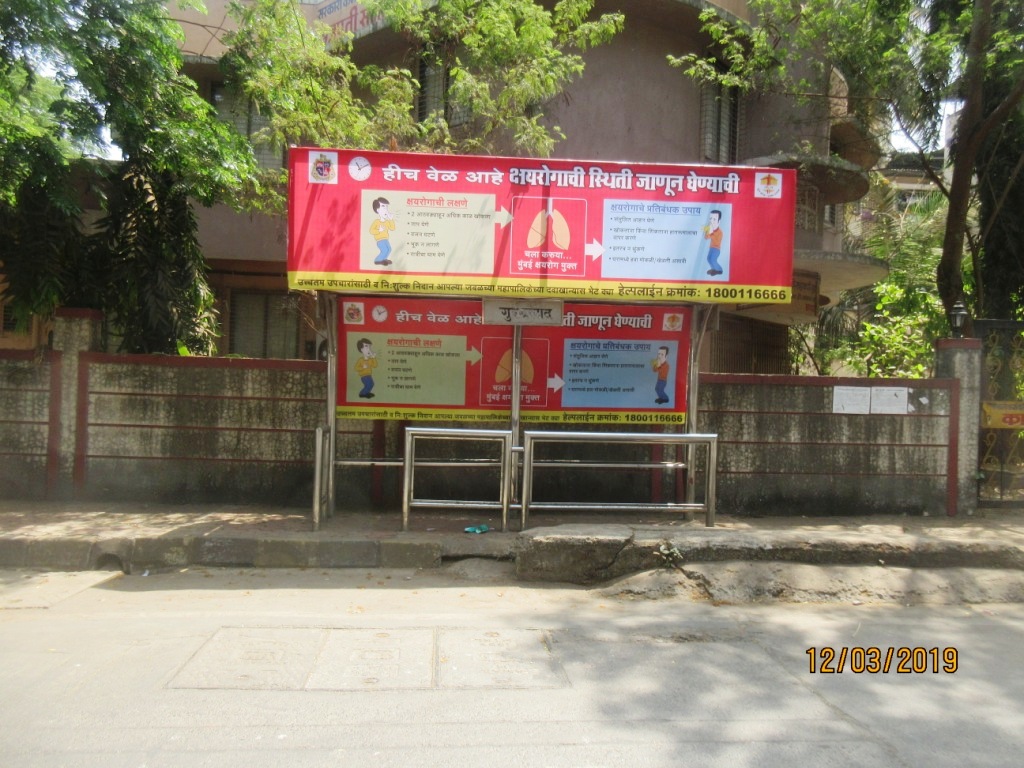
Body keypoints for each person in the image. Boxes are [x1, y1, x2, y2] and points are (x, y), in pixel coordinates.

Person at [369, 197, 395, 266]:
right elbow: (371, 231)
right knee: (384, 250)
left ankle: (384, 259)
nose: (386, 209)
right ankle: (377, 260)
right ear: (378, 210)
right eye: (383, 207)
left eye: (386, 207)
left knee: (389, 249)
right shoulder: (377, 222)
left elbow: (392, 228)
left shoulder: (387, 222)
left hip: (386, 239)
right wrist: (378, 230)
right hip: (380, 240)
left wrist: (391, 219)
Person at [703, 209, 724, 276]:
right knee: (709, 259)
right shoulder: (710, 229)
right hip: (711, 248)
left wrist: (711, 232)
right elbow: (706, 237)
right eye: (710, 219)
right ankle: (714, 269)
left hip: (716, 249)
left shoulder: (720, 232)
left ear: (719, 221)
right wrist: (707, 231)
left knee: (713, 260)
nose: (712, 221)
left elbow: (716, 240)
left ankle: (719, 270)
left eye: (714, 219)